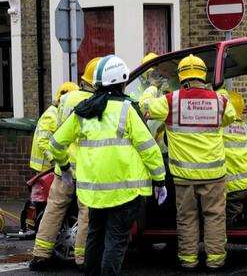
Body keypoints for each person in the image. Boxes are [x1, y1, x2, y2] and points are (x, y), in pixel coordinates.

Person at [49, 55, 166, 276]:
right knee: (115, 241)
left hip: (93, 193)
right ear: (122, 81)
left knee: (95, 235)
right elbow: (148, 149)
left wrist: (64, 168)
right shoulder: (127, 110)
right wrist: (159, 180)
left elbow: (55, 144)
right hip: (125, 192)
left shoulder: (83, 111)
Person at [140, 54, 237, 270]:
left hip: (184, 176)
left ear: (182, 76)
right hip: (214, 174)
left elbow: (145, 108)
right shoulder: (220, 101)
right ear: (203, 76)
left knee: (187, 218)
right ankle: (215, 261)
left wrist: (151, 88)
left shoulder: (170, 101)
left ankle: (188, 260)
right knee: (214, 217)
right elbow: (230, 116)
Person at [29, 59, 100, 271]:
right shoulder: (98, 103)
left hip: (64, 167)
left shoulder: (66, 99)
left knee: (54, 210)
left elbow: (61, 131)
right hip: (87, 169)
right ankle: (82, 258)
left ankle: (40, 255)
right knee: (85, 215)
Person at [25, 82, 79, 235]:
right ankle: (32, 226)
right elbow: (43, 142)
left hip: (48, 164)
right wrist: (54, 160)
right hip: (43, 165)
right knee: (43, 201)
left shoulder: (59, 113)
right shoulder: (51, 114)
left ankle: (33, 226)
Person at [222, 91, 247, 227]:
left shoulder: (222, 127)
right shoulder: (244, 127)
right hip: (246, 182)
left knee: (227, 220)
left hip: (230, 185)